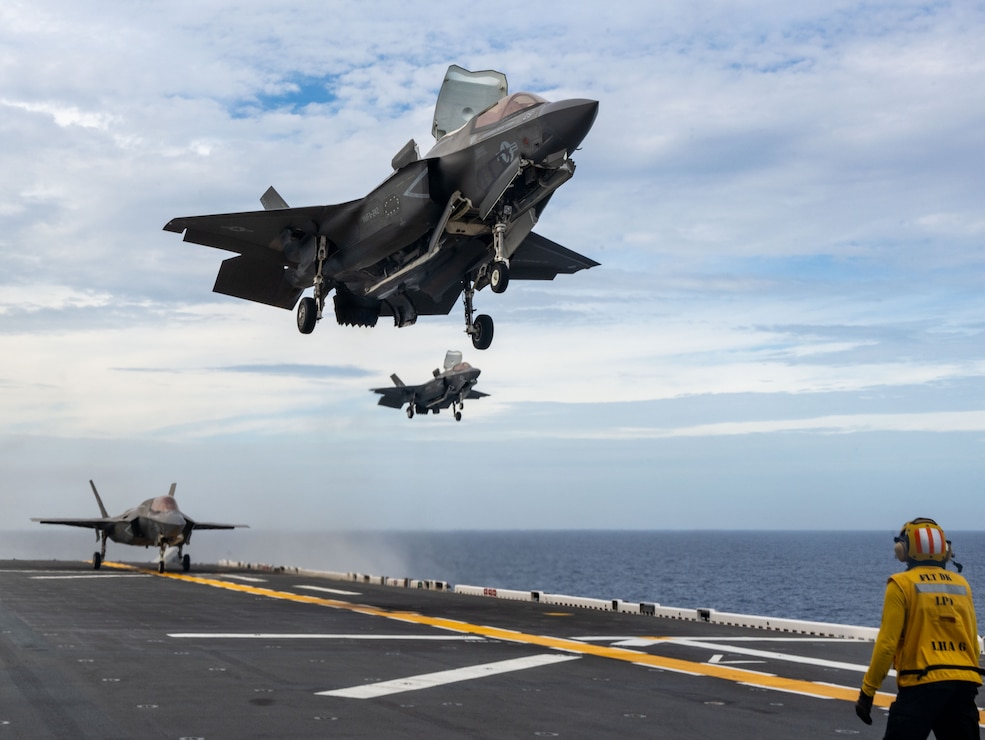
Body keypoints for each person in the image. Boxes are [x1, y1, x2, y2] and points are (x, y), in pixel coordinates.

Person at [856, 517, 983, 738]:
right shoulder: (962, 585)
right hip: (962, 687)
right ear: (945, 550)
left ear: (903, 550)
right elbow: (973, 641)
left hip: (920, 687)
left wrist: (868, 691)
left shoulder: (901, 585)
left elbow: (887, 644)